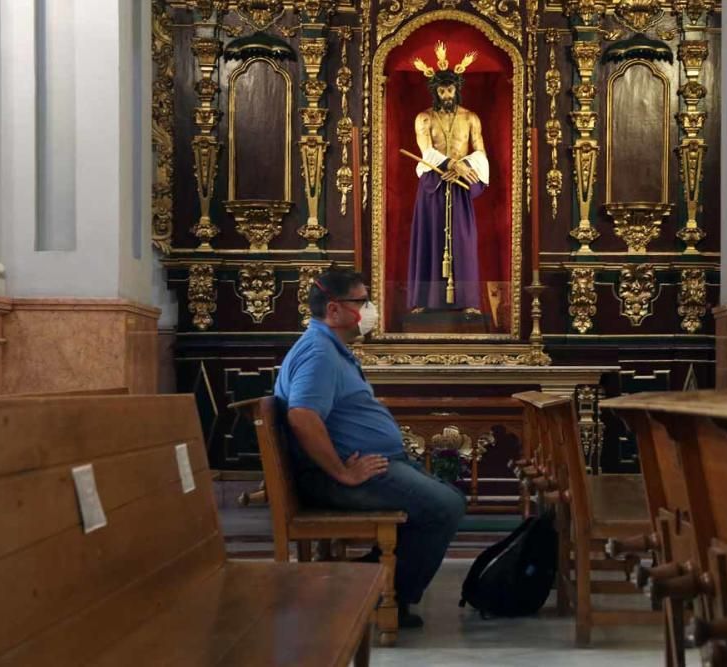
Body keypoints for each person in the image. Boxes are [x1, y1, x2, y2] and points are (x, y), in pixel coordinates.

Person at [274, 266, 466, 628]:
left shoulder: (329, 348)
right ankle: (381, 592)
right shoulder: (319, 353)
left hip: (368, 465)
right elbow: (302, 416)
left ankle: (362, 580)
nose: (370, 310)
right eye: (361, 302)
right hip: (337, 475)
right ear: (333, 310)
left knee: (440, 498)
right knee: (445, 506)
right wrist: (342, 472)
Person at [408, 41, 488, 313]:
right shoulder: (424, 119)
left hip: (460, 186)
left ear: (457, 90)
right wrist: (452, 163)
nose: (446, 94)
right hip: (433, 184)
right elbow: (426, 151)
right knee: (429, 238)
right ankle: (423, 301)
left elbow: (481, 153)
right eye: (441, 89)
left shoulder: (471, 118)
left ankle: (469, 303)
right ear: (435, 91)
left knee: (462, 241)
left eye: (450, 89)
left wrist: (465, 167)